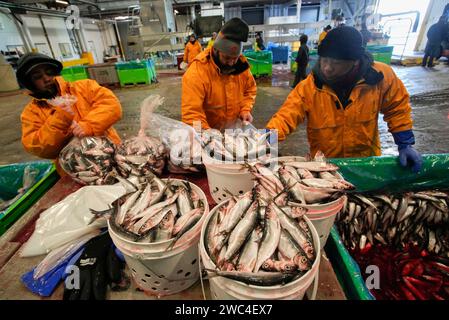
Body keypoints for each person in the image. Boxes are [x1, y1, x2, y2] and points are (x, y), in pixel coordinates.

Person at [265, 26, 422, 173]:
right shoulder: (310, 86)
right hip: (324, 165)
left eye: (336, 63)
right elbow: (287, 114)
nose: (327, 68)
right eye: (324, 60)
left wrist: (405, 143)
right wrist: (267, 137)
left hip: (366, 162)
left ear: (355, 61)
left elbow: (397, 108)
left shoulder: (380, 76)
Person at [17, 52, 122, 175]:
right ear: (30, 83)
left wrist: (89, 125)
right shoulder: (30, 113)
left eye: (49, 72)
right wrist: (60, 119)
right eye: (37, 77)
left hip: (113, 156)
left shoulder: (85, 87)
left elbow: (112, 105)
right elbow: (39, 148)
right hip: (75, 171)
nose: (46, 78)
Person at [181, 17, 257, 131]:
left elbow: (250, 89)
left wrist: (245, 109)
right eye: (226, 57)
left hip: (232, 132)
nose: (231, 63)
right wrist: (207, 136)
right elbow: (191, 114)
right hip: (207, 133)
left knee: (267, 145)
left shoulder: (241, 66)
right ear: (216, 50)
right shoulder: (197, 72)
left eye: (235, 58)